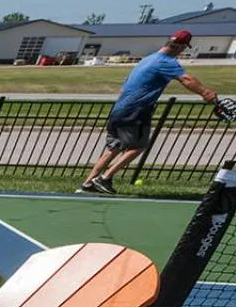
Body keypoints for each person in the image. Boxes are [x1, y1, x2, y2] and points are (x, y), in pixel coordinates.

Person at [80, 30, 221, 195]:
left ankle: (88, 184)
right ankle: (105, 178)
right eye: (184, 47)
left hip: (120, 109)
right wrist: (206, 93)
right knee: (138, 147)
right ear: (181, 46)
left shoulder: (148, 58)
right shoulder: (165, 61)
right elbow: (186, 79)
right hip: (136, 110)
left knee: (114, 147)